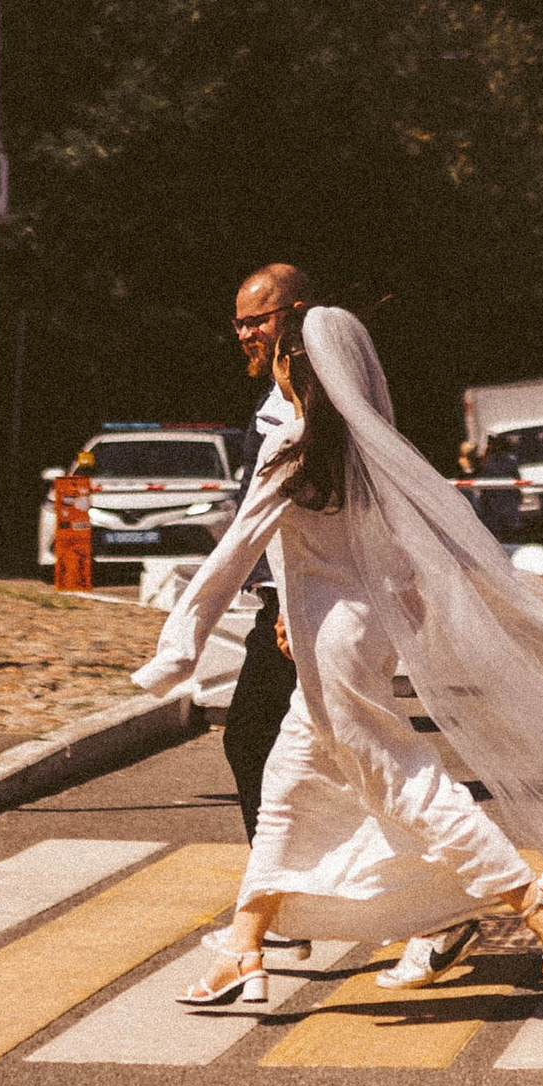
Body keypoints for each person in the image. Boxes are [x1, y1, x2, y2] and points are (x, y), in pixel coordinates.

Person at [135, 302, 543, 1013]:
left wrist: (176, 650)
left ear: (296, 370)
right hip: (357, 628)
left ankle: (535, 899)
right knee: (285, 784)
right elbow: (398, 548)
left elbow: (233, 556)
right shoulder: (361, 445)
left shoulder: (293, 445)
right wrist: (396, 603)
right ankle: (242, 953)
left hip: (331, 639)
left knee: (400, 780)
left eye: (279, 354)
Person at [212, 263, 307, 831]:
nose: (246, 334)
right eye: (238, 324)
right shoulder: (284, 388)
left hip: (304, 606)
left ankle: (521, 891)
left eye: (257, 321)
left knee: (252, 739)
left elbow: (309, 509)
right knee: (263, 745)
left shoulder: (311, 394)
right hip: (289, 604)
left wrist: (289, 605)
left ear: (294, 315)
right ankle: (278, 893)